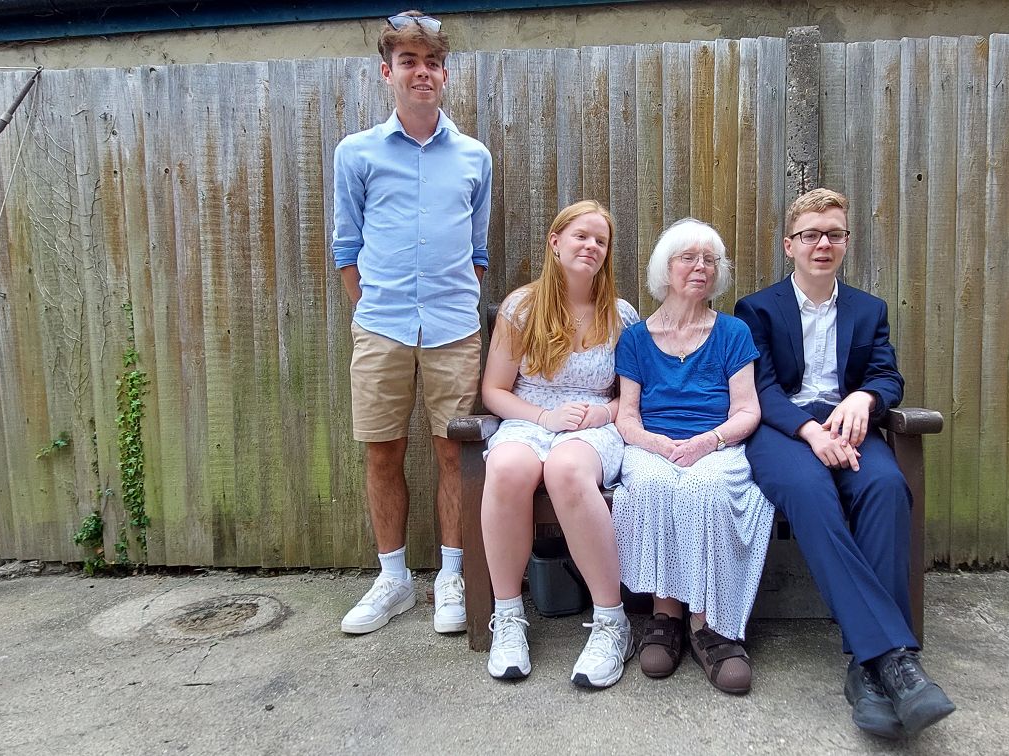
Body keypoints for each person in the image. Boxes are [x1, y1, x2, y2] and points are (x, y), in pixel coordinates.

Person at [735, 188, 956, 738]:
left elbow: (887, 375)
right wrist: (810, 431)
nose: (823, 244)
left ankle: (866, 669)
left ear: (847, 242)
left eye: (834, 234)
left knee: (885, 486)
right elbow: (761, 388)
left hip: (848, 425)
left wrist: (865, 397)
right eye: (810, 234)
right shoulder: (757, 309)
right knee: (811, 493)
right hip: (783, 431)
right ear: (789, 245)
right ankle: (896, 659)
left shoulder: (868, 309)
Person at [331, 10, 492, 636]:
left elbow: (477, 252)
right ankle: (393, 580)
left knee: (455, 452)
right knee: (382, 451)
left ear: (444, 74)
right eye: (408, 62)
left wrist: (452, 299)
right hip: (382, 326)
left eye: (431, 62)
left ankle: (451, 576)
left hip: (454, 328)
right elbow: (347, 248)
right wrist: (372, 309)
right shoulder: (357, 153)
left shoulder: (474, 156)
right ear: (387, 72)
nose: (421, 72)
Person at [477, 200, 641, 688]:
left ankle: (612, 622)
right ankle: (508, 616)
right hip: (530, 418)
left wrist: (603, 413)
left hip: (595, 425)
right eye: (580, 236)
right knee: (506, 468)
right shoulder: (522, 308)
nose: (591, 246)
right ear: (555, 243)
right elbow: (494, 391)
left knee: (566, 470)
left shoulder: (621, 315)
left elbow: (632, 397)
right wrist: (544, 417)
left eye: (600, 240)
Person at [611, 218, 773, 695]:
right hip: (652, 445)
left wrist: (708, 442)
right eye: (689, 258)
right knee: (654, 484)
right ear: (666, 268)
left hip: (717, 443)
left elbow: (748, 410)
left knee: (706, 488)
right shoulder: (635, 338)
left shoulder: (732, 332)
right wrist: (657, 445)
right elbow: (627, 416)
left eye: (710, 260)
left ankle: (709, 623)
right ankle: (665, 615)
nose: (701, 267)